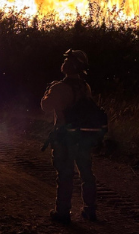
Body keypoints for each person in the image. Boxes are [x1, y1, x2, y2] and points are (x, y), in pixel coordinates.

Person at [41, 49, 98, 224]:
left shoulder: (58, 88)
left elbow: (45, 106)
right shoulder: (85, 87)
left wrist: (48, 91)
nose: (63, 62)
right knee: (86, 173)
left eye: (66, 60)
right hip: (83, 137)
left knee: (65, 174)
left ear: (69, 66)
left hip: (64, 137)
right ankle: (90, 210)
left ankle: (63, 212)